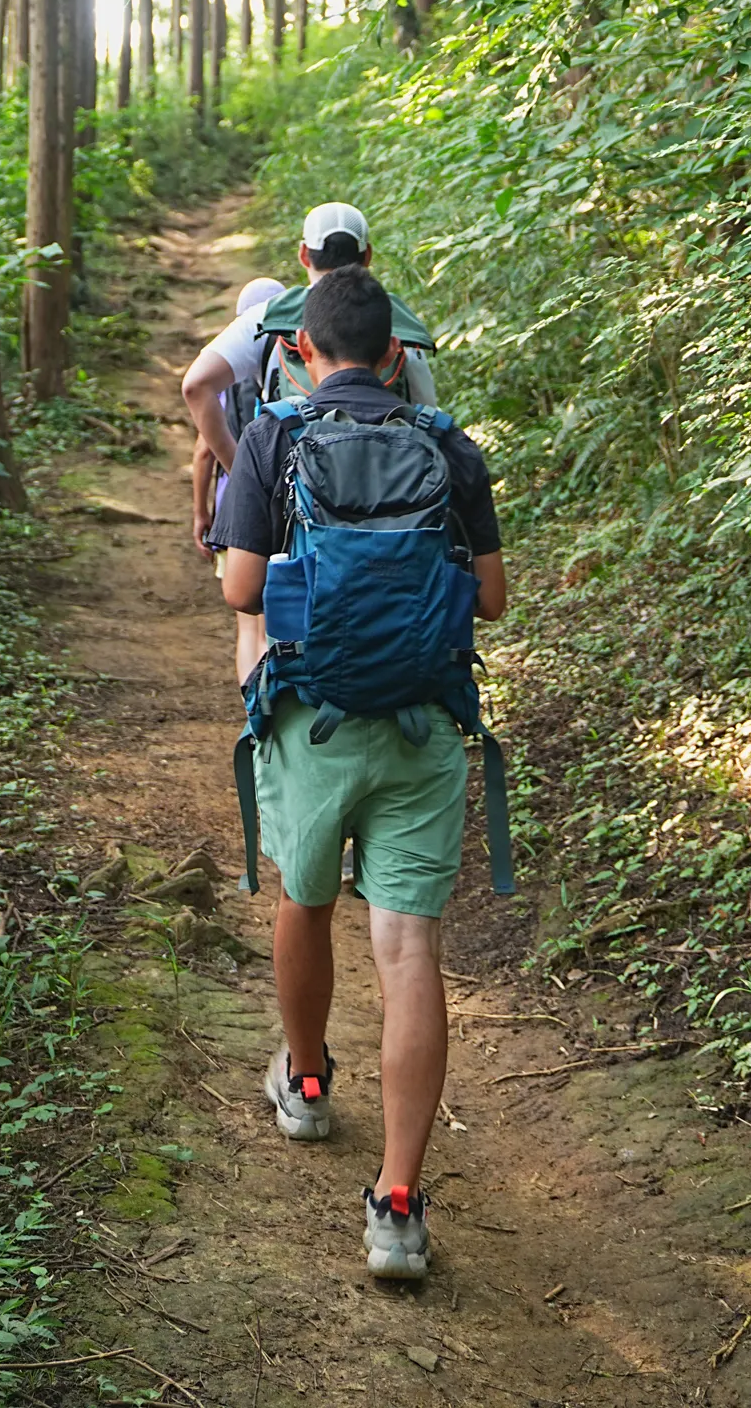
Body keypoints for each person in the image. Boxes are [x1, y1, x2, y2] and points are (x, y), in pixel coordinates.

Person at [215, 265, 507, 1283]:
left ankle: (304, 1083)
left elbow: (240, 583)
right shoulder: (448, 446)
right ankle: (397, 1205)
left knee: (304, 899)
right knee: (408, 950)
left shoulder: (277, 437)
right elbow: (494, 600)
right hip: (423, 732)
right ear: (395, 356)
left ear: (299, 350)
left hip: (313, 726)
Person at [181, 204, 430, 685]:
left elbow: (196, 387)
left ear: (302, 254)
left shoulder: (270, 318)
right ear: (368, 256)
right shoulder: (394, 323)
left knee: (263, 620)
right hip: (387, 502)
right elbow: (429, 422)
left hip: (289, 495)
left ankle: (267, 732)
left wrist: (248, 473)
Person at [189, 276, 285, 684]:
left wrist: (201, 513)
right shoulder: (291, 368)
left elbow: (203, 452)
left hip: (237, 507)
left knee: (247, 625)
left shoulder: (226, 373)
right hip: (287, 502)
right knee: (279, 615)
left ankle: (255, 709)